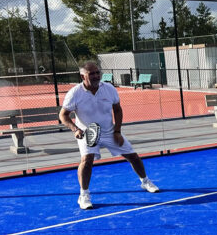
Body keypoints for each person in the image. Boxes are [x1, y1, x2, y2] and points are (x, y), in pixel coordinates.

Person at [59, 61, 159, 210]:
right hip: (88, 133)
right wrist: (75, 129)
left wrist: (117, 131)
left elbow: (117, 110)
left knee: (133, 156)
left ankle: (145, 181)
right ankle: (83, 195)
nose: (96, 76)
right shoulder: (74, 93)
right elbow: (63, 115)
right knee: (86, 161)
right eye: (91, 74)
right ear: (82, 76)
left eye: (97, 72)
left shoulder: (109, 88)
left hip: (109, 131)